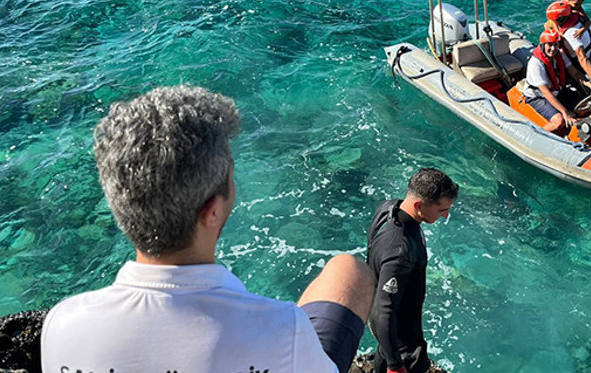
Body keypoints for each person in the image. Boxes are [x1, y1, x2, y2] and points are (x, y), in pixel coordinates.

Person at [41, 85, 374, 373]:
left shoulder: (64, 325)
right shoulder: (284, 331)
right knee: (348, 271)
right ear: (212, 211)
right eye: (230, 174)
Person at [366, 168, 459, 373]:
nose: (446, 215)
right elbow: (384, 310)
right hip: (401, 334)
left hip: (379, 310)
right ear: (419, 205)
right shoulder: (400, 251)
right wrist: (395, 366)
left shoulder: (388, 208)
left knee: (384, 352)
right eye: (441, 210)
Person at [517, 29, 591, 135]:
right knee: (559, 122)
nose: (553, 49)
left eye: (556, 45)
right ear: (542, 45)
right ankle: (534, 135)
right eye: (550, 45)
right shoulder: (536, 64)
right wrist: (565, 112)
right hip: (538, 97)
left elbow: (574, 72)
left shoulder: (559, 54)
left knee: (585, 107)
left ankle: (579, 129)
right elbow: (545, 92)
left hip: (557, 91)